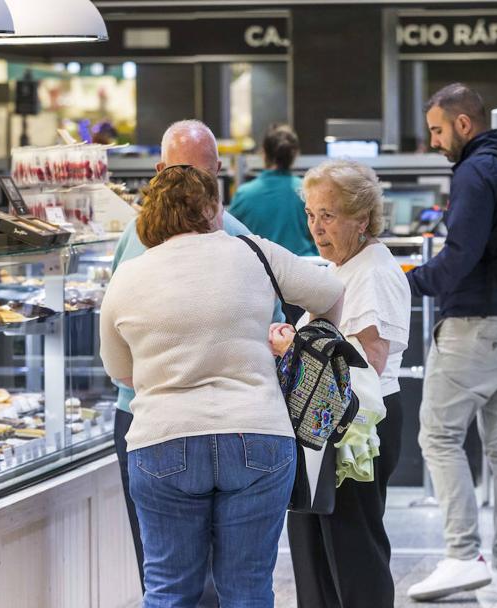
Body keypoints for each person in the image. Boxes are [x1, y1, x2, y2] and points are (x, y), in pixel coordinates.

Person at [100, 165, 344, 607]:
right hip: (258, 435)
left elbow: (120, 373)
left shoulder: (128, 276)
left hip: (162, 442)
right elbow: (329, 293)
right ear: (213, 207)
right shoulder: (253, 252)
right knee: (248, 589)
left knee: (169, 590)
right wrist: (299, 346)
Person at [109, 119, 285, 602]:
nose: (191, 189)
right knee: (242, 584)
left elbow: (116, 363)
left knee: (168, 580)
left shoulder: (136, 237)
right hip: (247, 428)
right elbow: (278, 324)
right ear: (161, 170)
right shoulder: (242, 239)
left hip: (155, 426)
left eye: (200, 175)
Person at [405, 83, 497, 601]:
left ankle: (463, 555)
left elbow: (458, 257)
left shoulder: (473, 172)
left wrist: (408, 281)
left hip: (476, 326)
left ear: (464, 124)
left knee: (439, 438)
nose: (435, 141)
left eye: (438, 129)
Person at [278, 160, 411, 608]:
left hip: (358, 430)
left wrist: (293, 350)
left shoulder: (373, 272)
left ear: (363, 219)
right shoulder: (341, 266)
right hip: (327, 425)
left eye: (329, 216)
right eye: (312, 215)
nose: (317, 227)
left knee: (354, 556)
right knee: (315, 554)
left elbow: (367, 364)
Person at [229, 124, 317, 258]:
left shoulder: (244, 194)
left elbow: (230, 236)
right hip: (304, 268)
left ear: (263, 153)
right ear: (295, 154)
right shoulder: (308, 191)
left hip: (261, 272)